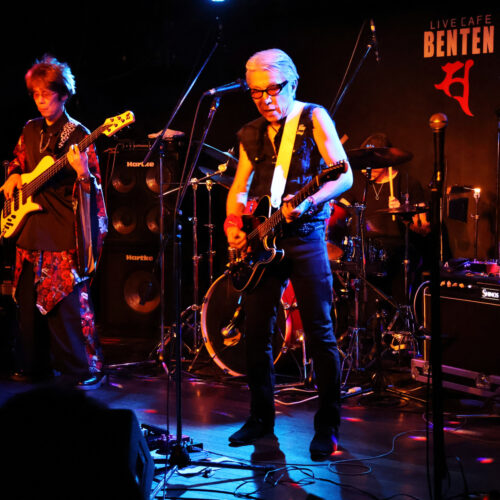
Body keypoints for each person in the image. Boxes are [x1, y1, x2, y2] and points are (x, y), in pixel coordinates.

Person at [224, 48, 352, 460]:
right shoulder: (249, 133)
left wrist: (310, 201)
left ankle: (328, 426)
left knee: (320, 332)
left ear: (292, 83)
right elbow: (240, 187)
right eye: (255, 92)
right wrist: (233, 224)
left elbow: (344, 175)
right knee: (257, 333)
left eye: (272, 90)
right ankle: (260, 418)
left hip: (306, 236)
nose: (265, 99)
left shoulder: (313, 117)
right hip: (264, 241)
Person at [0, 54, 107, 389]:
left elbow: (93, 187)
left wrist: (83, 174)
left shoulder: (79, 134)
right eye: (36, 94)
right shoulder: (30, 129)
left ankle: (82, 369)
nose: (41, 100)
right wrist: (13, 175)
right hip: (29, 228)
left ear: (63, 94)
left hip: (61, 229)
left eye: (47, 94)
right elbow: (17, 161)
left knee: (68, 306)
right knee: (27, 307)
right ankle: (34, 365)